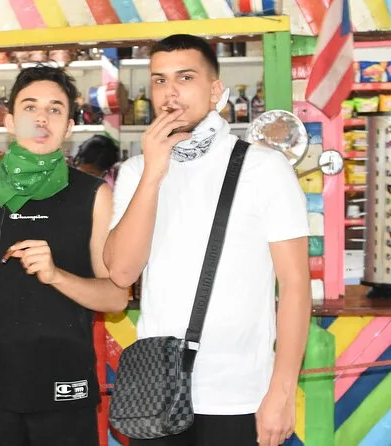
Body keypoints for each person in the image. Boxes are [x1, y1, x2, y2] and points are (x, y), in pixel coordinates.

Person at [104, 34, 311, 446]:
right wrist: (153, 173)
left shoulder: (264, 168)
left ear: (215, 90)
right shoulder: (135, 171)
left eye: (185, 78)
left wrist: (282, 391)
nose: (170, 92)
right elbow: (122, 271)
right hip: (156, 392)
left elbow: (295, 285)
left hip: (240, 393)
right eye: (159, 80)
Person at [0, 65, 128, 446]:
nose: (41, 118)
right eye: (30, 107)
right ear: (10, 121)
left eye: (54, 109)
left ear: (70, 126)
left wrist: (56, 275)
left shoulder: (94, 195)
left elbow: (115, 297)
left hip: (67, 383)